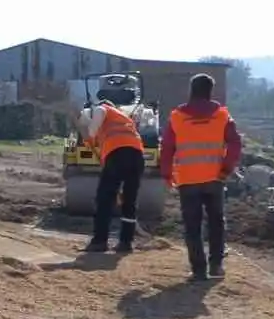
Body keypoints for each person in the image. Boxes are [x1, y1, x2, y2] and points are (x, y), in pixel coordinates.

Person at [159, 73, 242, 281]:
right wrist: (226, 168)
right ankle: (216, 265)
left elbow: (167, 147)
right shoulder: (222, 116)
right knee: (216, 222)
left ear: (191, 90)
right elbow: (235, 143)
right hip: (215, 178)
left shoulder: (177, 116)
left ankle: (198, 271)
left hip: (187, 180)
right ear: (210, 91)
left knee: (192, 225)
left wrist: (166, 174)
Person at [77, 93, 147, 254]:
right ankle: (126, 243)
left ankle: (99, 241)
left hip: (118, 155)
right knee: (129, 201)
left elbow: (95, 125)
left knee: (104, 198)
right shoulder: (124, 119)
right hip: (137, 157)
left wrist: (90, 133)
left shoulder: (103, 108)